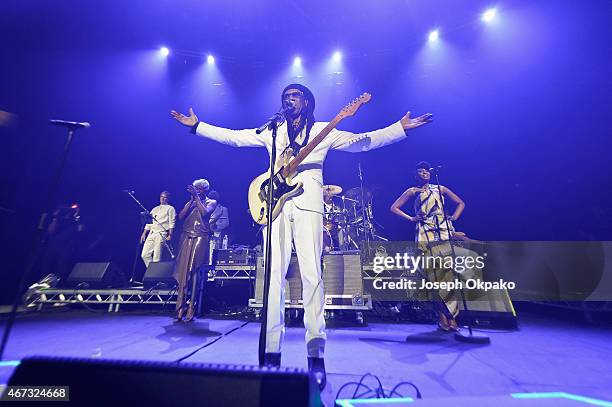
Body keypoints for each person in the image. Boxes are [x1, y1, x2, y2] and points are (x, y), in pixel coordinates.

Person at [171, 84, 432, 389]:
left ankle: (315, 353)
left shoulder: (323, 129)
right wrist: (198, 126)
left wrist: (398, 129)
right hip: (275, 207)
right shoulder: (273, 131)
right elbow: (236, 137)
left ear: (307, 102)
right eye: (285, 95)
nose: (288, 98)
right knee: (273, 279)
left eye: (294, 95)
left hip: (308, 205)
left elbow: (361, 142)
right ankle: (271, 353)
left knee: (312, 276)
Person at [390, 161, 465, 331]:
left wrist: (453, 218)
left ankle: (453, 318)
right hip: (425, 234)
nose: (424, 173)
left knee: (447, 278)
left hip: (443, 233)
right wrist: (411, 218)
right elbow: (394, 207)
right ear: (415, 175)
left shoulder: (440, 188)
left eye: (426, 171)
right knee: (433, 280)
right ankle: (441, 317)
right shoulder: (412, 191)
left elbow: (461, 203)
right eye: (420, 172)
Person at [174, 179, 217, 322]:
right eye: (195, 188)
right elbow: (180, 217)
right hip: (186, 237)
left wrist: (197, 198)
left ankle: (192, 307)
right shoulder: (190, 202)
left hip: (200, 237)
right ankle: (180, 308)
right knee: (183, 272)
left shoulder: (211, 202)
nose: (197, 190)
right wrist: (191, 201)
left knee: (194, 272)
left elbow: (204, 213)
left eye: (199, 188)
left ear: (205, 190)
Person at [140, 191, 176, 268]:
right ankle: (152, 272)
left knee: (157, 257)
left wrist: (170, 234)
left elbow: (171, 222)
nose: (162, 198)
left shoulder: (170, 208)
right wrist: (144, 233)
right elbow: (149, 222)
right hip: (152, 233)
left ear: (168, 199)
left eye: (164, 197)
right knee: (145, 255)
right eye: (161, 196)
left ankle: (155, 278)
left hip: (161, 233)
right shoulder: (155, 209)